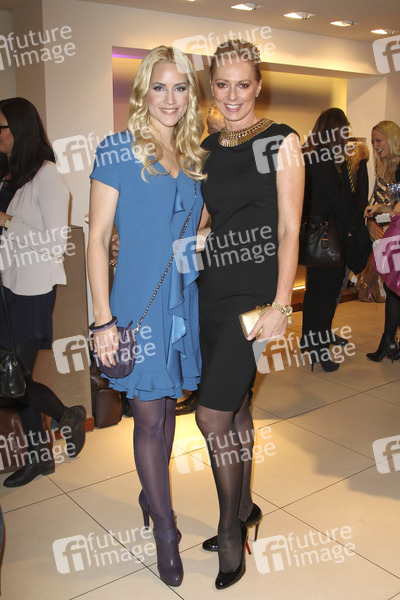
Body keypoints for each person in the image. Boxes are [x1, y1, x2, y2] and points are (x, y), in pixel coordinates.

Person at [87, 46, 205, 587]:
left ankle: (149, 493)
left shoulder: (193, 154)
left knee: (169, 408)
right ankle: (166, 531)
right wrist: (102, 321)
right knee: (150, 419)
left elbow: (193, 226)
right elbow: (97, 238)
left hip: (181, 299)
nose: (170, 99)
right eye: (160, 87)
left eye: (180, 88)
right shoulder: (118, 149)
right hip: (136, 304)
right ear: (142, 92)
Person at [194, 40, 304, 589]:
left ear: (258, 86)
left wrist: (283, 303)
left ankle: (230, 530)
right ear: (212, 87)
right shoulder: (207, 146)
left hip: (255, 297)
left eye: (243, 84)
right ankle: (244, 508)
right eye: (222, 84)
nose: (232, 95)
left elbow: (289, 227)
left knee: (210, 417)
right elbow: (208, 218)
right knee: (235, 408)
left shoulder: (283, 141)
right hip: (212, 290)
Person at [0, 97, 86, 487]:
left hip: (32, 292)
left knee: (13, 380)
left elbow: (54, 244)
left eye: (0, 127)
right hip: (8, 286)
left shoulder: (48, 176)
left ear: (18, 130)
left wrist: (6, 221)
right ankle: (40, 459)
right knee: (14, 379)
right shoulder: (10, 176)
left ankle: (68, 415)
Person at [175, 102, 225, 417]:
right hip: (199, 252)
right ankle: (199, 388)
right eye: (209, 127)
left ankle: (225, 395)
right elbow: (200, 204)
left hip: (228, 254)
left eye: (217, 128)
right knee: (197, 318)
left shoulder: (243, 156)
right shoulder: (203, 153)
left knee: (222, 327)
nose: (212, 133)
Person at [300, 108, 357, 371]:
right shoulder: (325, 161)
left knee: (314, 292)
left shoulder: (308, 155)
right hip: (327, 237)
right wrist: (354, 228)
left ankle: (308, 341)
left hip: (311, 235)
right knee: (326, 296)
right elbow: (338, 201)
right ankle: (320, 351)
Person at [364, 120, 400, 361]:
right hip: (395, 232)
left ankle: (388, 341)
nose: (375, 146)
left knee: (393, 286)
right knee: (392, 286)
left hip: (396, 234)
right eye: (373, 141)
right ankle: (388, 340)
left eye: (379, 140)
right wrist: (380, 207)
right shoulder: (391, 168)